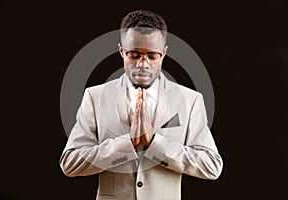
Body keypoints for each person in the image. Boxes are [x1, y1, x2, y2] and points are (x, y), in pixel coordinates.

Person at [60, 10, 223, 200]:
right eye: (134, 55)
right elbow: (69, 163)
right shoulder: (95, 96)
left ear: (163, 53)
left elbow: (212, 166)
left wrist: (155, 143)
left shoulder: (190, 100)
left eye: (152, 56)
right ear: (122, 51)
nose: (142, 64)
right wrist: (126, 144)